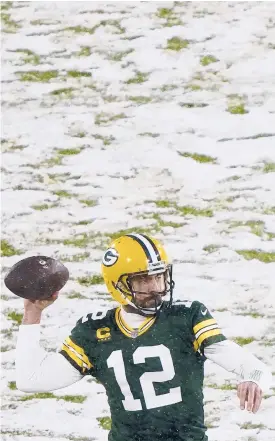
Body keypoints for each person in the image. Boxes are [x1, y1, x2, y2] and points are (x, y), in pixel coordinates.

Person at [16, 233, 272, 441]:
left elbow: (256, 368)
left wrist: (252, 378)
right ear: (117, 285)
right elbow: (31, 380)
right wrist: (32, 313)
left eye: (159, 277)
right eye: (143, 280)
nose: (155, 288)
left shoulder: (185, 317)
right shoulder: (95, 332)